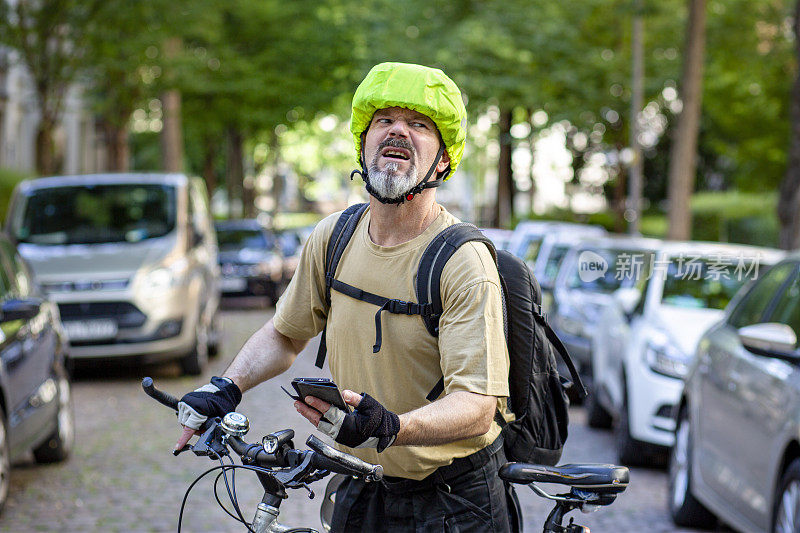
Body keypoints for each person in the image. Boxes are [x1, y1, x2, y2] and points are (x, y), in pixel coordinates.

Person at [175, 62, 513, 532]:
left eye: (418, 124)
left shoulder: (462, 262)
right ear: (363, 141)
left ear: (443, 161)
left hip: (453, 497)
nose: (397, 130)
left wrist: (390, 426)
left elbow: (477, 407)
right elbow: (284, 335)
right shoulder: (334, 236)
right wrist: (225, 389)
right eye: (383, 121)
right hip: (361, 481)